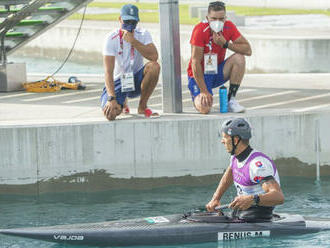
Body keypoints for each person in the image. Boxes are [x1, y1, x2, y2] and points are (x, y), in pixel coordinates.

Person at [206, 118, 284, 222]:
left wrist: (252, 199)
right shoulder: (235, 157)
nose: (222, 141)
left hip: (259, 216)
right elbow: (230, 174)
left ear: (236, 139)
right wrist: (216, 199)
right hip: (242, 211)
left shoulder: (257, 165)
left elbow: (279, 197)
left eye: (225, 137)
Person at [187, 1, 252, 114]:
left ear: (225, 18)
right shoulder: (200, 30)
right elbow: (195, 62)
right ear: (207, 17)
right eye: (214, 19)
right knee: (205, 109)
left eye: (221, 19)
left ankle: (231, 100)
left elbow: (248, 50)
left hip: (216, 71)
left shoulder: (229, 26)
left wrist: (226, 44)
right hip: (199, 76)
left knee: (239, 58)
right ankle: (201, 95)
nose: (218, 22)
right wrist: (203, 91)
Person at [101, 4, 160, 121]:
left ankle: (142, 107)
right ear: (120, 19)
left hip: (136, 79)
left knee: (154, 67)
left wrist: (133, 41)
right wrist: (111, 98)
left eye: (133, 22)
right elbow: (108, 72)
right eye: (126, 21)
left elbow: (154, 57)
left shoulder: (143, 34)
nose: (129, 26)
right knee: (110, 113)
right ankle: (122, 103)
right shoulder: (111, 38)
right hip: (118, 81)